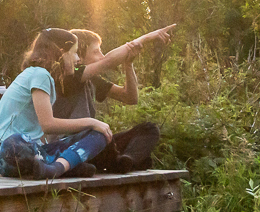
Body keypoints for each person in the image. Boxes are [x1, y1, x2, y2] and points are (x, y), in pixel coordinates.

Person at [0, 28, 114, 180]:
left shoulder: (42, 76)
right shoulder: (40, 74)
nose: (78, 59)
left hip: (31, 153)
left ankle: (56, 167)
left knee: (99, 134)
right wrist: (91, 121)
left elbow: (41, 132)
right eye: (74, 52)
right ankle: (64, 165)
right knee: (18, 141)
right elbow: (48, 125)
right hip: (8, 152)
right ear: (61, 52)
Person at [57, 26, 175, 173]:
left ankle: (125, 161)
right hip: (71, 147)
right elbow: (108, 62)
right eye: (96, 51)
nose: (101, 55)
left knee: (149, 129)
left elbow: (130, 97)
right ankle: (126, 162)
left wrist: (128, 64)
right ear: (78, 55)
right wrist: (147, 38)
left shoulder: (93, 80)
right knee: (104, 139)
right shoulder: (69, 76)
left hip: (93, 143)